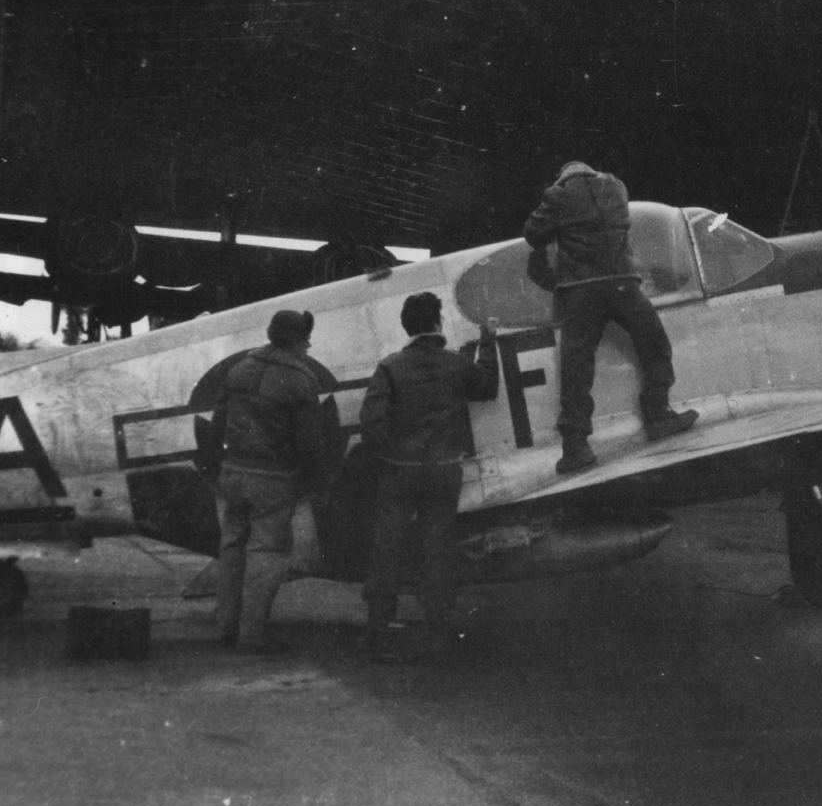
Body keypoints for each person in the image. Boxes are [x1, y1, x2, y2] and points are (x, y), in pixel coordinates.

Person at [523, 160, 697, 474]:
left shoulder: (558, 194)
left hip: (581, 290)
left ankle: (576, 447)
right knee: (655, 344)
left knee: (576, 369)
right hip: (623, 283)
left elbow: (533, 235)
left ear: (563, 174)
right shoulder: (615, 186)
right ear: (589, 170)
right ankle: (658, 414)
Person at [358, 292, 499, 664]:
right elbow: (487, 388)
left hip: (400, 473)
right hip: (442, 472)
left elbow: (371, 423)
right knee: (437, 549)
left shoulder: (389, 367)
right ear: (437, 323)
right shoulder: (455, 364)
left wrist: (388, 458)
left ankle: (378, 630)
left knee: (388, 547)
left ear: (407, 327)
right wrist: (487, 342)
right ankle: (437, 629)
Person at [211, 309, 329, 655]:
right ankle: (251, 636)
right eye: (305, 338)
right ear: (294, 340)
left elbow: (218, 424)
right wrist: (318, 485)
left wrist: (220, 469)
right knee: (266, 552)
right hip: (273, 480)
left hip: (233, 473)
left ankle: (225, 625)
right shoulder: (300, 379)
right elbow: (310, 442)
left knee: (232, 547)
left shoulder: (240, 369)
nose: (309, 344)